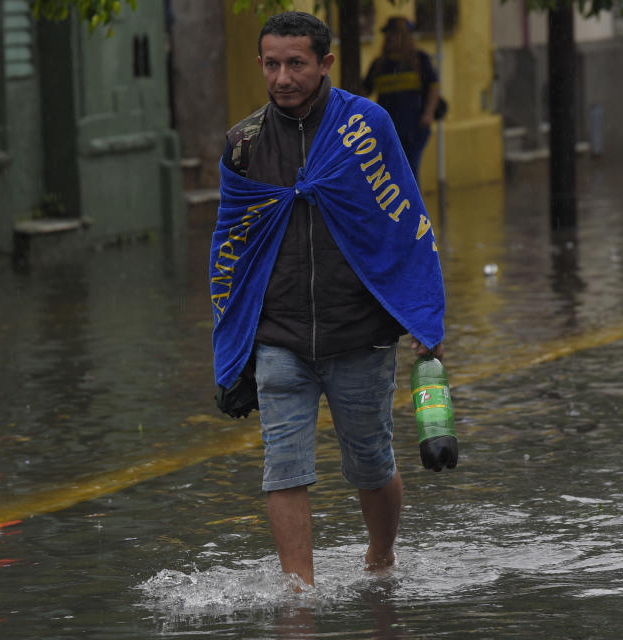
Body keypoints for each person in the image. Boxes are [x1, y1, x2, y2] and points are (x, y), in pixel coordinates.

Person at [210, 11, 450, 587]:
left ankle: (380, 560)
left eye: (296, 63)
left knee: (370, 466)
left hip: (358, 334)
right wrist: (234, 344)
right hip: (279, 338)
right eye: (272, 64)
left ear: (325, 63)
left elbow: (403, 223)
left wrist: (422, 315)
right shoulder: (243, 145)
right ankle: (301, 594)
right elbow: (229, 253)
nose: (283, 77)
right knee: (283, 470)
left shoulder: (367, 127)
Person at [362, 16, 441, 181]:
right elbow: (363, 92)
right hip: (388, 130)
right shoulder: (379, 64)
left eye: (393, 34)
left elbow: (434, 88)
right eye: (387, 34)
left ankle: (413, 206)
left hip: (415, 129)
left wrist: (428, 114)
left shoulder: (419, 60)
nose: (388, 38)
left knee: (410, 170)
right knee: (392, 174)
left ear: (404, 37)